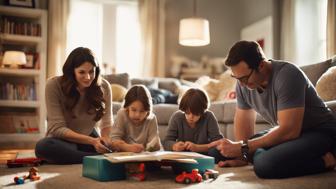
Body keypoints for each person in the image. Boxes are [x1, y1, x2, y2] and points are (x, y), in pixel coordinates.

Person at [216, 40, 336, 178]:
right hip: (293, 133)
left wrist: (245, 148)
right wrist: (242, 156)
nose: (241, 85)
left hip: (320, 132)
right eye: (236, 78)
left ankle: (327, 160)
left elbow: (290, 131)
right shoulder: (243, 85)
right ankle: (260, 155)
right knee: (219, 152)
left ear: (261, 65)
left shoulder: (288, 75)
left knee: (264, 164)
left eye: (244, 78)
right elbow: (244, 123)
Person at [35, 47, 113, 164]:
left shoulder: (104, 86)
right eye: (82, 72)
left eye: (91, 71)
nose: (88, 77)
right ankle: (92, 158)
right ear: (72, 71)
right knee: (43, 147)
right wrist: (92, 141)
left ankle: (81, 156)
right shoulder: (53, 85)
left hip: (89, 137)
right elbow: (57, 128)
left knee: (112, 145)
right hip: (62, 140)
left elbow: (107, 122)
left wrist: (105, 140)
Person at [163, 88, 229, 163]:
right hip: (184, 156)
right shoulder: (177, 117)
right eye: (187, 112)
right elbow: (166, 142)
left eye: (195, 113)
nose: (191, 117)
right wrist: (174, 146)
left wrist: (197, 148)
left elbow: (218, 143)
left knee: (216, 152)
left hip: (204, 156)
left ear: (203, 111)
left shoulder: (208, 116)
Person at [109, 85, 161, 152]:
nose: (137, 115)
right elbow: (113, 140)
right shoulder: (122, 114)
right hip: (124, 157)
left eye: (142, 111)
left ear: (148, 110)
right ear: (127, 107)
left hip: (144, 157)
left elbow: (154, 143)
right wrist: (128, 147)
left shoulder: (151, 118)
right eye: (133, 110)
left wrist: (154, 146)